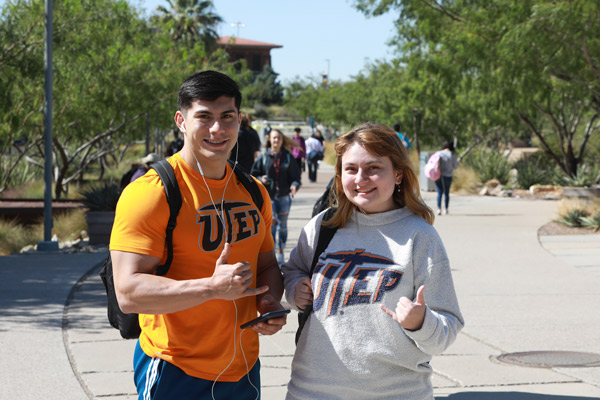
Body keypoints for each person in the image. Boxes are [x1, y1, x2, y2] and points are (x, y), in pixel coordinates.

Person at [109, 70, 287, 399]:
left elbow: (266, 265)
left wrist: (268, 302)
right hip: (175, 368)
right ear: (181, 120)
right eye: (204, 117)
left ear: (239, 120)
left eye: (227, 117)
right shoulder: (152, 192)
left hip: (244, 368)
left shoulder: (254, 191)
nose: (217, 129)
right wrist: (211, 288)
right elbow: (129, 292)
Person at [281, 122, 464, 400]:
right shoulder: (322, 226)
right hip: (311, 391)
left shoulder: (420, 237)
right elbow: (293, 270)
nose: (360, 178)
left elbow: (446, 330)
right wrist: (295, 289)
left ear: (399, 174)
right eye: (351, 169)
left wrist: (419, 322)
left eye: (374, 168)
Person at [251, 129, 301, 265]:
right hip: (269, 197)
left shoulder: (288, 157)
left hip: (284, 197)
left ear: (282, 140)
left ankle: (280, 251)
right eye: (273, 138)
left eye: (278, 138)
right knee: (271, 226)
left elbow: (296, 177)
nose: (276, 141)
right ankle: (271, 253)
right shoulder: (263, 157)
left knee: (283, 226)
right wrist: (261, 178)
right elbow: (253, 175)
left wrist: (294, 185)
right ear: (269, 140)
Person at [434, 141, 459, 215]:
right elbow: (455, 167)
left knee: (439, 192)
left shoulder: (438, 153)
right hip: (448, 176)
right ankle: (446, 209)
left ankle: (439, 209)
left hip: (438, 175)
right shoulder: (453, 155)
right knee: (446, 193)